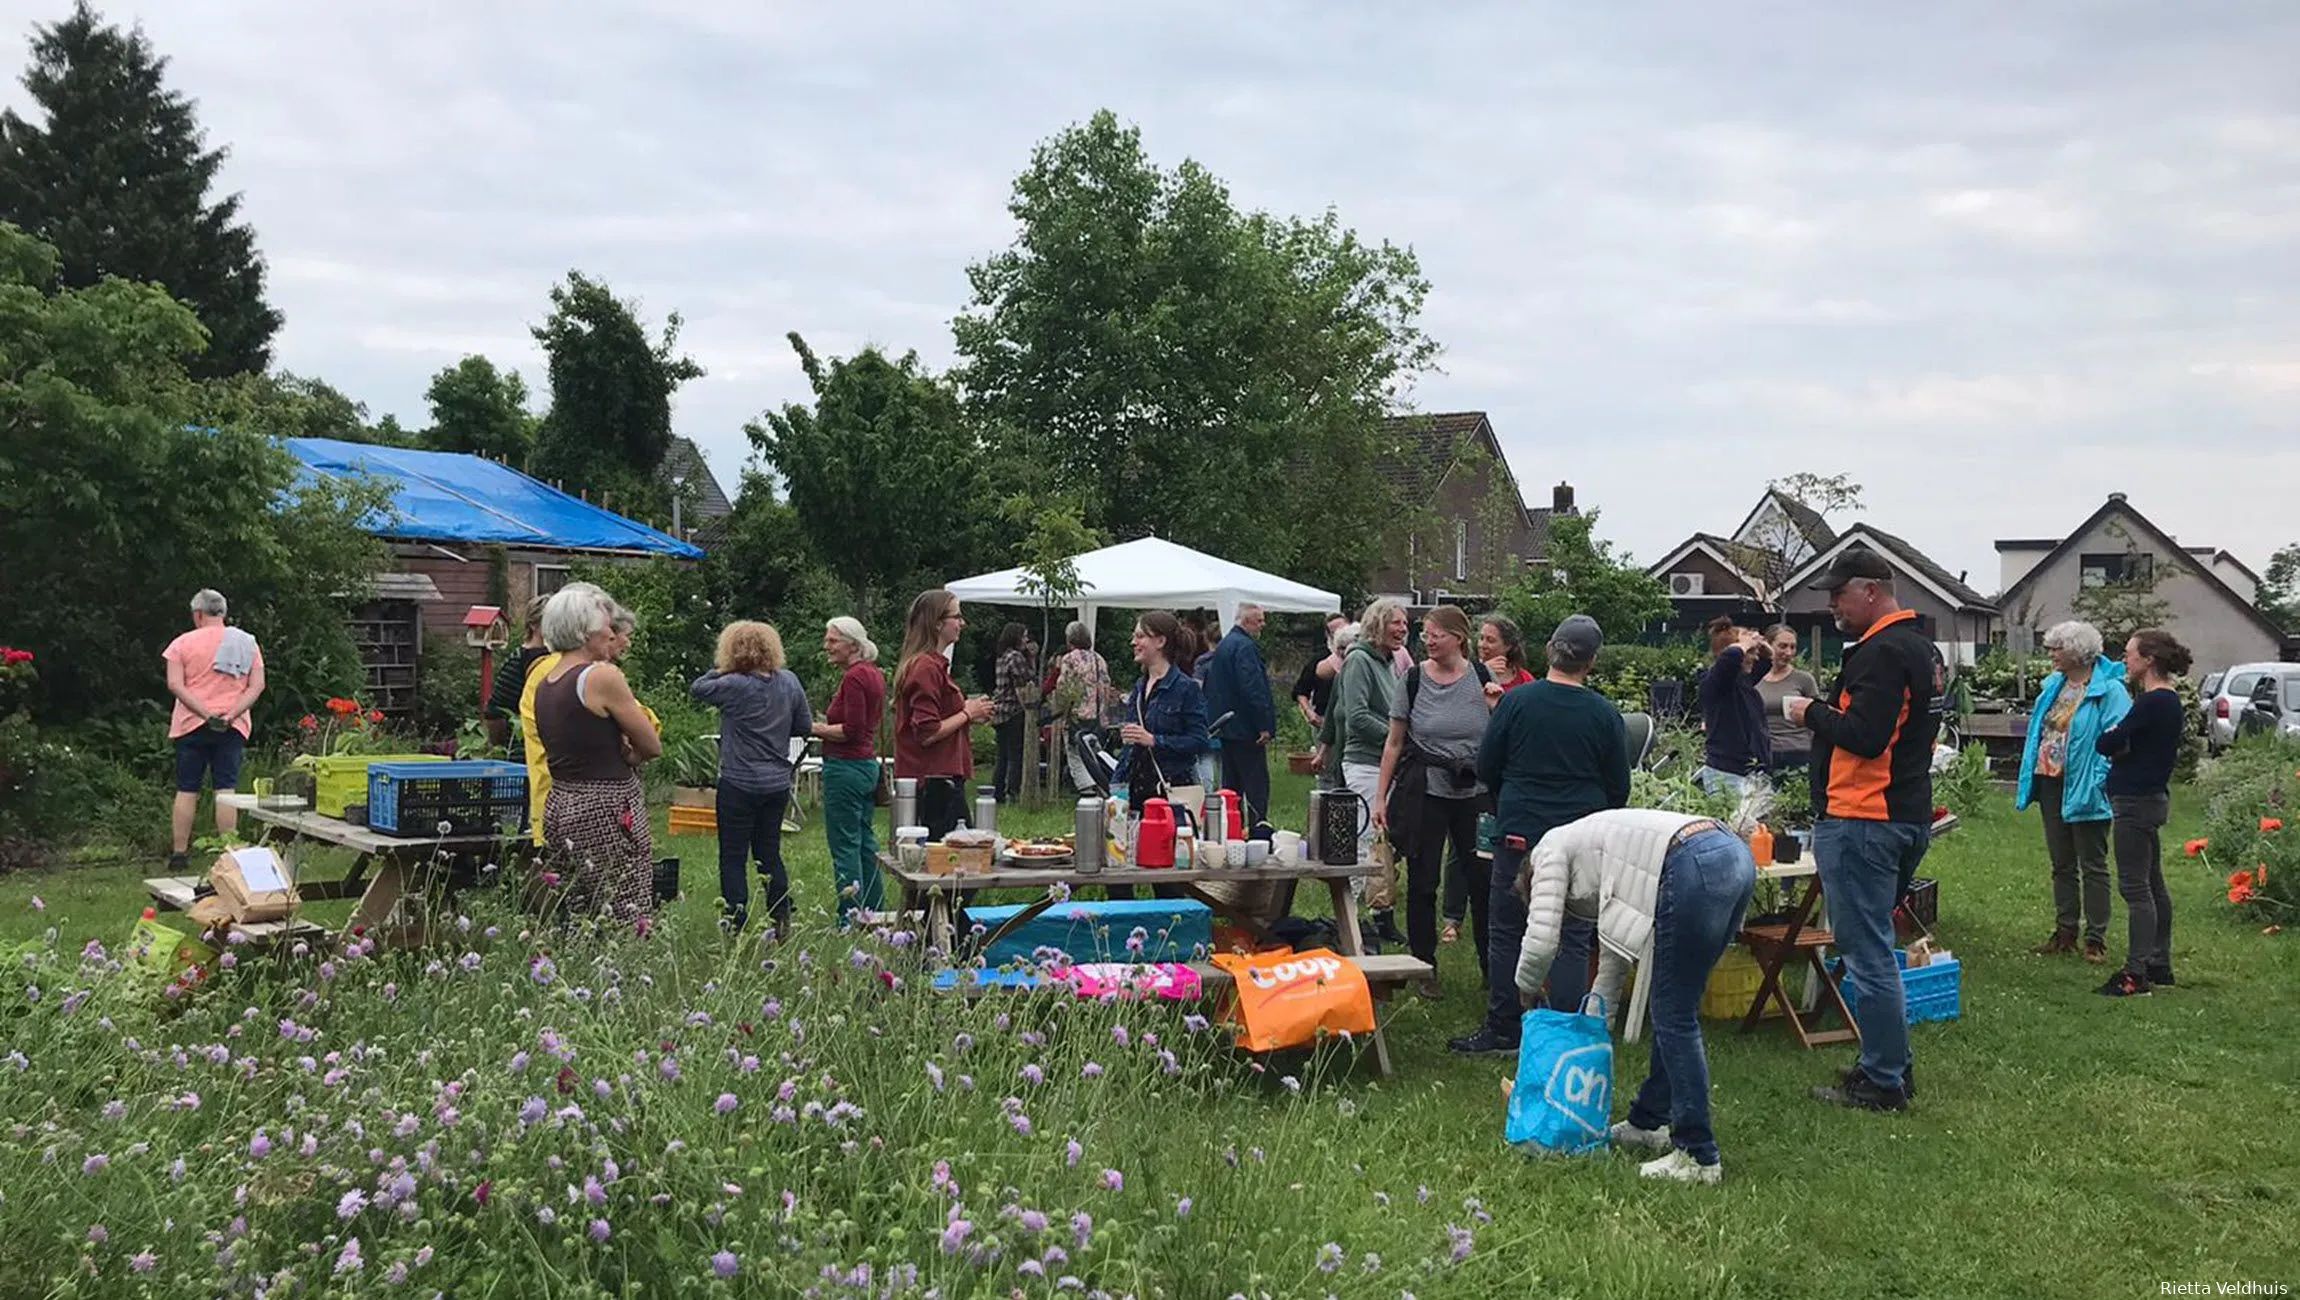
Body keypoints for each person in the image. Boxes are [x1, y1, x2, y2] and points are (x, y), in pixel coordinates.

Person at [1513, 807, 1756, 1184]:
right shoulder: (1598, 851)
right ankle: (1648, 1122)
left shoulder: (1548, 851)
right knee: (1678, 1008)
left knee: (1673, 1014)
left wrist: (1525, 990)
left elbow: (1542, 940)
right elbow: (1615, 953)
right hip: (1733, 855)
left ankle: (1698, 1155)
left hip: (1691, 860)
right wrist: (1592, 1027)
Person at [1782, 549, 1937, 1111]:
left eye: (1837, 594)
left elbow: (1867, 736)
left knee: (1867, 951)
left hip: (1864, 818)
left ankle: (1883, 1082)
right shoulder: (1921, 648)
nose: (1830, 606)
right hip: (1904, 814)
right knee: (1877, 945)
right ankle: (1892, 1066)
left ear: (1871, 590)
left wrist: (1808, 712)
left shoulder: (1881, 652)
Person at [1451, 615, 1631, 1055]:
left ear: (1551, 649)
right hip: (1579, 840)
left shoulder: (1517, 703)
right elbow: (1618, 789)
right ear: (1591, 662)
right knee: (1571, 935)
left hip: (1520, 833)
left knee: (1508, 929)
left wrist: (1511, 798)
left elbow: (1487, 766)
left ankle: (1505, 1027)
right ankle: (1565, 1031)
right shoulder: (1605, 714)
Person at [1373, 604, 1494, 998]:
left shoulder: (1481, 677)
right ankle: (1425, 967)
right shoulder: (1411, 680)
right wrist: (1380, 797)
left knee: (1483, 881)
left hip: (1475, 793)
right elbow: (1394, 743)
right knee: (1423, 883)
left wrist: (1500, 705)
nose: (1427, 640)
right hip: (1425, 789)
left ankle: (1492, 968)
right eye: (1424, 634)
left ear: (1458, 637)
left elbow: (1500, 734)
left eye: (1435, 634)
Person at [532, 583, 662, 921]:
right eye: (605, 624)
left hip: (560, 803)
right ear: (584, 631)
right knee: (626, 904)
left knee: (580, 909)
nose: (610, 631)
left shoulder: (547, 681)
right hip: (605, 804)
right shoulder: (601, 677)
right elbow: (650, 745)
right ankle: (629, 971)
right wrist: (632, 756)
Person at [2013, 621, 2130, 963]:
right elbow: (2040, 731)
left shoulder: (2110, 691)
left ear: (2078, 651)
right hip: (2051, 782)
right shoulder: (2053, 686)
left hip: (2085, 785)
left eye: (2056, 648)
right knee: (2061, 862)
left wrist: (2098, 782)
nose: (2050, 654)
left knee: (2093, 863)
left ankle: (2096, 938)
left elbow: (2118, 739)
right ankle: (2065, 932)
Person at [691, 621, 812, 933]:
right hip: (776, 783)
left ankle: (736, 922)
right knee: (768, 852)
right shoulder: (789, 681)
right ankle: (781, 916)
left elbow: (698, 688)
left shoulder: (733, 685)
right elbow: (804, 726)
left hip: (738, 781)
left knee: (733, 856)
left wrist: (722, 670)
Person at [2093, 627, 2191, 996]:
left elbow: (2108, 741)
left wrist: (2121, 742)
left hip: (2134, 801)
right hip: (2152, 797)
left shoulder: (2152, 703)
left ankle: (2136, 973)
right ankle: (2159, 962)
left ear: (2149, 659)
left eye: (2131, 653)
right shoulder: (2169, 701)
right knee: (2153, 883)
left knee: (2135, 887)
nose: (2125, 659)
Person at [162, 589, 265, 871]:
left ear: (197, 614)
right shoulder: (247, 643)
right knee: (226, 788)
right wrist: (231, 713)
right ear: (223, 613)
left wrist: (204, 713)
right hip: (232, 725)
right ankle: (229, 851)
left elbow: (175, 684)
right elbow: (257, 685)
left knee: (187, 788)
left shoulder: (181, 644)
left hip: (191, 725)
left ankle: (179, 854)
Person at [1328, 598, 1409, 940]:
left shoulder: (1388, 662)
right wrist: (1401, 737)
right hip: (1364, 762)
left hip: (1386, 761)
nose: (1403, 629)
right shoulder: (1360, 660)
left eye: (1406, 623)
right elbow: (1356, 717)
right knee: (1366, 840)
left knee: (1385, 840)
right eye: (1396, 623)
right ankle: (1353, 919)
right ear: (1377, 624)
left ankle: (1380, 913)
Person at [894, 590, 992, 840]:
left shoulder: (929, 665)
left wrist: (970, 712)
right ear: (937, 623)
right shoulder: (925, 667)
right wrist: (967, 714)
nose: (962, 623)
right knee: (951, 861)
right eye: (956, 616)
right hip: (935, 784)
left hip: (939, 781)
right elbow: (927, 732)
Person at [811, 616, 888, 926]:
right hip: (867, 765)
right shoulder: (874, 674)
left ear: (853, 645)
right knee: (865, 842)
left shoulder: (854, 678)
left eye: (833, 641)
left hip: (845, 766)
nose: (826, 646)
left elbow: (852, 730)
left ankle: (849, 919)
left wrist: (815, 728)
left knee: (844, 846)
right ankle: (876, 911)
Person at [1111, 610, 1211, 812]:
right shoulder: (1140, 686)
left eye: (1140, 636)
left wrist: (1155, 740)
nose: (1133, 642)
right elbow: (1131, 747)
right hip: (1137, 792)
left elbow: (1199, 741)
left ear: (1160, 642)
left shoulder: (1186, 688)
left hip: (1172, 792)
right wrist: (1116, 787)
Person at [1204, 604, 1277, 825]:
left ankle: (1231, 829)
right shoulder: (1245, 647)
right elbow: (1253, 688)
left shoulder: (1225, 645)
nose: (1263, 625)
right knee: (1255, 786)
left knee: (1231, 786)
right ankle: (1258, 830)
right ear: (1246, 622)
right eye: (1259, 620)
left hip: (1227, 725)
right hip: (1247, 729)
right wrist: (1263, 724)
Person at [1694, 616, 1772, 797]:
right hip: (1727, 775)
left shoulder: (1743, 681)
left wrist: (1759, 643)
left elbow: (1767, 661)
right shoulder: (1714, 683)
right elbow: (1730, 657)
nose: (1755, 656)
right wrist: (1743, 644)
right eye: (1750, 652)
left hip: (1752, 774)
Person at [485, 594, 552, 750]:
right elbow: (495, 712)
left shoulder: (559, 657)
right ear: (534, 625)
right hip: (522, 750)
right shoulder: (518, 662)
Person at [1754, 625, 1820, 775]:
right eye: (1782, 646)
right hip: (1765, 753)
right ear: (1768, 646)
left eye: (1793, 647)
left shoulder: (1804, 680)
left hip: (1800, 753)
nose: (1788, 652)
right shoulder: (1754, 680)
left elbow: (1818, 719)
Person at [988, 622, 1034, 804]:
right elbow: (1022, 684)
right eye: (1024, 636)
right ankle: (1012, 792)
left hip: (999, 710)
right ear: (1016, 637)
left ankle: (997, 791)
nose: (1026, 640)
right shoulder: (1016, 657)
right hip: (1013, 710)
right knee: (1015, 754)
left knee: (1002, 755)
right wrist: (1028, 708)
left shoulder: (1002, 657)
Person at [1292, 613, 1350, 733]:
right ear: (1328, 635)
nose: (1341, 635)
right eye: (1336, 632)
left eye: (1344, 630)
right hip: (1325, 720)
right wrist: (1309, 713)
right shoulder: (1318, 659)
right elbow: (1301, 691)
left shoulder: (1360, 655)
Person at [1477, 614, 1537, 692]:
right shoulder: (1465, 672)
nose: (1482, 645)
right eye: (1481, 638)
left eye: (1490, 640)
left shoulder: (1525, 680)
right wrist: (1482, 672)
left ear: (1508, 646)